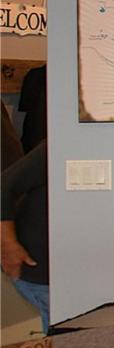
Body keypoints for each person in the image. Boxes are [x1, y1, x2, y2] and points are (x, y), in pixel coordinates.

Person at [1, 139, 48, 329]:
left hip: (62, 267)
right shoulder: (65, 142)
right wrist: (7, 244)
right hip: (37, 264)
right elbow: (4, 187)